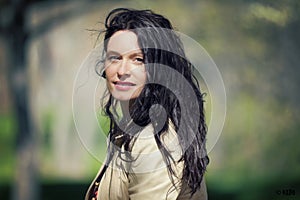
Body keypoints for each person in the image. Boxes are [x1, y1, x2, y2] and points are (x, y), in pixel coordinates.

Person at [85, 8, 209, 200]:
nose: (122, 70)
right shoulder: (131, 131)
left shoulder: (154, 141)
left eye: (138, 59)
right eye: (115, 57)